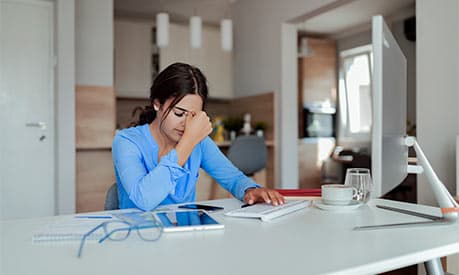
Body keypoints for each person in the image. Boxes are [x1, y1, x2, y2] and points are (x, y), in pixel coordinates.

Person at [112, 62, 285, 211]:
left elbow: (233, 178)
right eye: (179, 113)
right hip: (138, 237)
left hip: (183, 235)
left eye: (193, 116)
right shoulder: (126, 141)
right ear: (157, 104)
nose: (186, 125)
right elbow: (145, 200)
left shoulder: (199, 143)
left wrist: (249, 190)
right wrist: (189, 141)